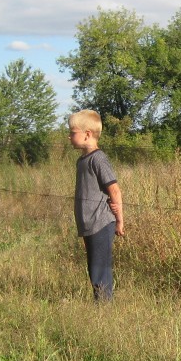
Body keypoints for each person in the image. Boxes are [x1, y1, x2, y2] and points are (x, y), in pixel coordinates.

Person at [69, 110, 124, 300]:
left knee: (100, 267)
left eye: (72, 132)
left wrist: (119, 221)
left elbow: (114, 190)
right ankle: (99, 301)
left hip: (101, 222)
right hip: (88, 223)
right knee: (93, 265)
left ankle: (103, 305)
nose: (69, 136)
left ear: (87, 134)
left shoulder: (98, 158)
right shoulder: (81, 160)